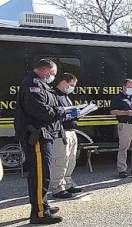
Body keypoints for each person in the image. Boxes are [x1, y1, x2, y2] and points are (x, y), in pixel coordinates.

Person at [15, 59, 77, 224]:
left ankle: (43, 205)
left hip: (45, 134)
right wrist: (61, 112)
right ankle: (39, 213)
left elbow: (50, 105)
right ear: (45, 71)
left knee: (44, 175)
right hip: (37, 136)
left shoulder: (41, 85)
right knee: (40, 176)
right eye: (53, 74)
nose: (53, 77)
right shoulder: (32, 85)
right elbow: (41, 111)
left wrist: (61, 110)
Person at [50, 73, 83, 199]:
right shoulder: (54, 95)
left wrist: (78, 113)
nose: (72, 88)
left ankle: (67, 184)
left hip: (71, 131)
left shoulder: (66, 96)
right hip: (61, 132)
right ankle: (57, 189)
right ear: (64, 82)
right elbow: (55, 113)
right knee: (60, 161)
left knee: (71, 160)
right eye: (72, 85)